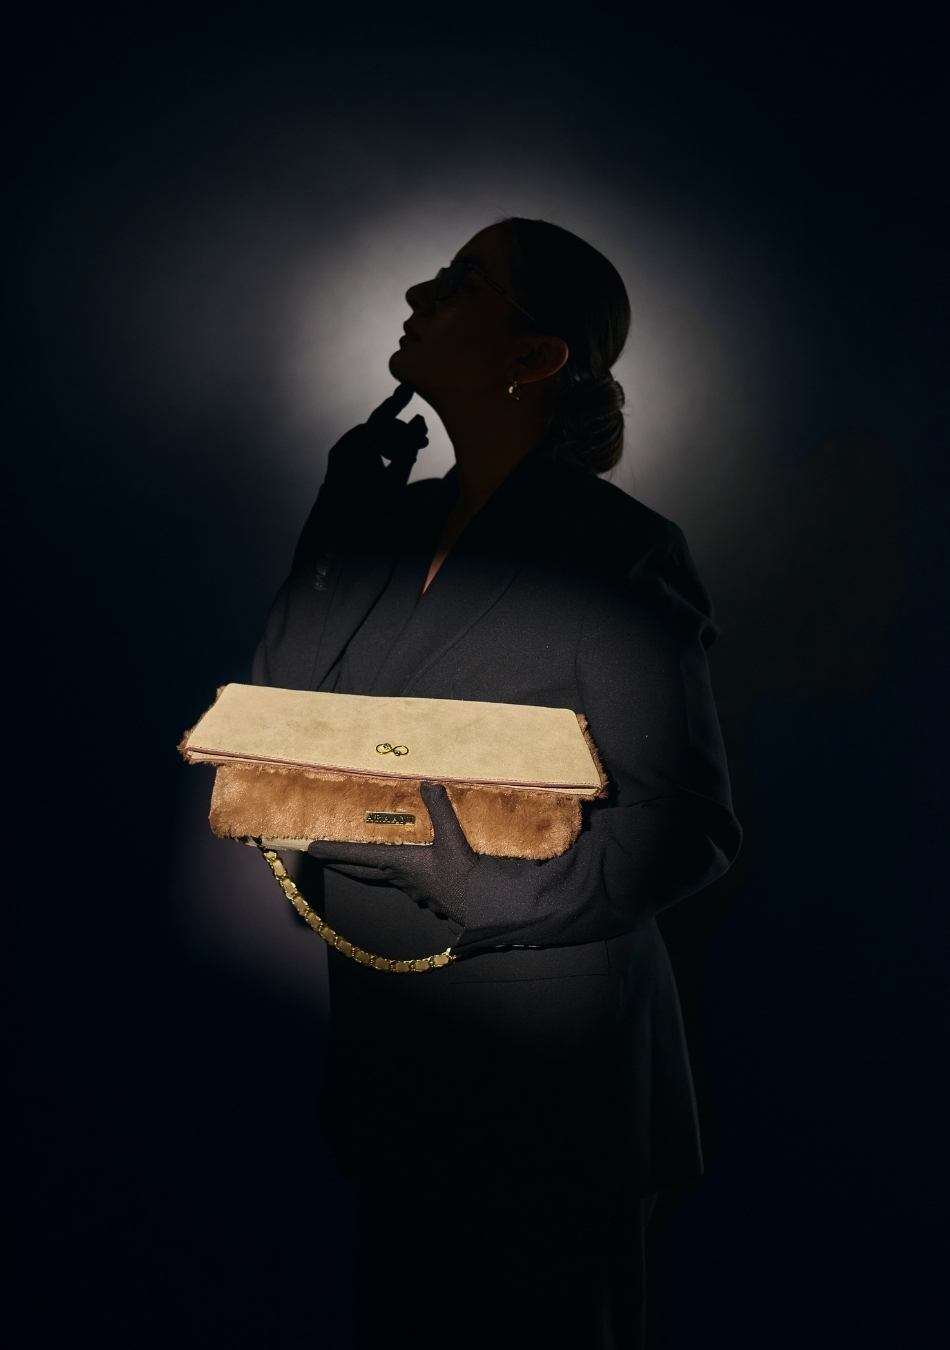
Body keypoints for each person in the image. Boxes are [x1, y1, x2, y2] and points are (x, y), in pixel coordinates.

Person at [249, 216, 743, 1349]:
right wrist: (335, 524)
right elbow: (274, 730)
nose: (418, 294)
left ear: (534, 356)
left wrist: (424, 849)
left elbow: (681, 828)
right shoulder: (383, 525)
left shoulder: (616, 547)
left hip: (556, 1102)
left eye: (462, 282)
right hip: (392, 1077)